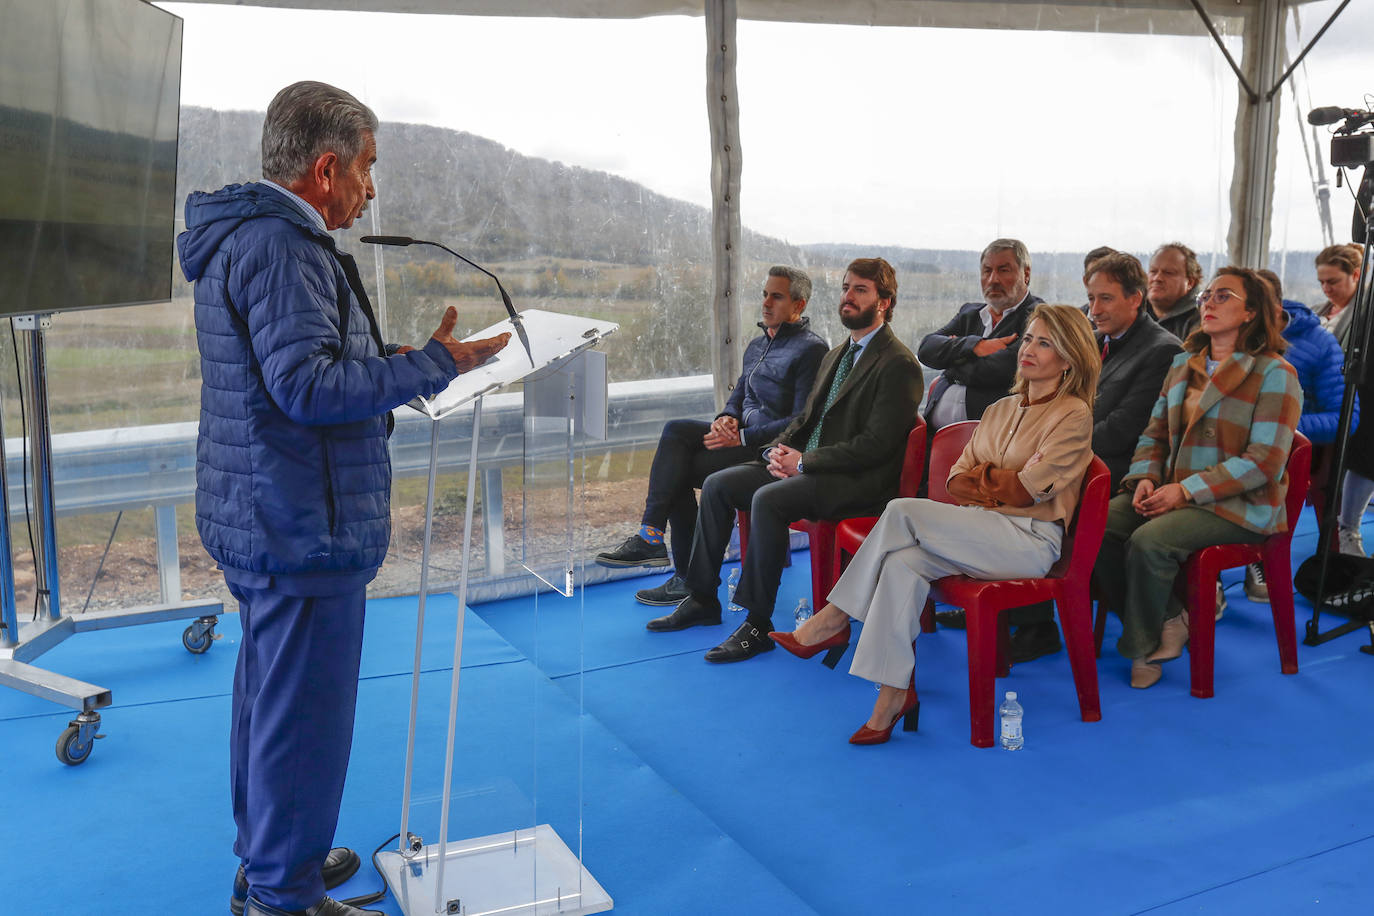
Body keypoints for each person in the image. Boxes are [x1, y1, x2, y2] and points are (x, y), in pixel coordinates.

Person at [177, 81, 509, 916]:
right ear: (326, 169)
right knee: (303, 726)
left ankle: (268, 870)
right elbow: (309, 387)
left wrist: (396, 358)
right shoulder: (284, 249)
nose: (371, 188)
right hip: (300, 526)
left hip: (264, 513)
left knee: (267, 704)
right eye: (367, 168)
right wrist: (435, 364)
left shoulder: (247, 238)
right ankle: (280, 898)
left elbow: (299, 363)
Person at [772, 305, 1097, 744]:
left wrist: (994, 482)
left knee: (902, 509)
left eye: (1045, 342)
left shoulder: (1073, 414)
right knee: (903, 563)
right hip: (980, 526)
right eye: (1028, 339)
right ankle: (892, 697)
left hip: (1030, 542)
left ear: (1069, 357)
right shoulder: (1001, 409)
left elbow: (1026, 493)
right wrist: (1000, 482)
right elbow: (956, 481)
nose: (1029, 349)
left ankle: (834, 618)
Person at [644, 258, 924, 663]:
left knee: (768, 500)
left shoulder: (898, 363)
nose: (848, 296)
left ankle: (757, 624)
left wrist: (805, 462)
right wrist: (779, 451)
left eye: (860, 290)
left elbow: (876, 446)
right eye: (846, 287)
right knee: (721, 485)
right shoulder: (837, 355)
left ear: (884, 301)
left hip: (856, 480)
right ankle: (702, 597)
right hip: (811, 467)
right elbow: (806, 418)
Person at [968, 253, 1181, 661]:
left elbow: (1122, 429)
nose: (1093, 309)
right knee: (1000, 486)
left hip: (1114, 469)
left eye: (1105, 299)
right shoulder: (1096, 337)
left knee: (1026, 496)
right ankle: (1007, 604)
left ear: (1136, 299)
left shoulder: (1161, 351)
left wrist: (1051, 452)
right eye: (1089, 298)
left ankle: (1035, 620)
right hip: (1074, 455)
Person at [1096, 267, 1301, 690]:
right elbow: (1152, 436)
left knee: (1149, 541)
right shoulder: (1182, 365)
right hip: (1172, 490)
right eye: (1207, 295)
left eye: (1223, 296)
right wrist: (1145, 480)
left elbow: (1263, 462)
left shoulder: (1275, 374)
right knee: (1092, 528)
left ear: (1250, 313)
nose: (1208, 302)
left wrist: (1185, 490)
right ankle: (1173, 617)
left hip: (1240, 503)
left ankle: (1142, 645)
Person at [595, 266, 827, 606]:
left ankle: (681, 573)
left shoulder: (811, 350)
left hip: (767, 450)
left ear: (799, 305)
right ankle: (654, 539)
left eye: (776, 296)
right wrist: (725, 419)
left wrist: (743, 438)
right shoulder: (757, 344)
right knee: (675, 434)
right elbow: (739, 395)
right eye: (764, 294)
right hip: (740, 438)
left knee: (676, 471)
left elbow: (799, 420)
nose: (766, 303)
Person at [1251, 269, 1353, 598]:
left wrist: (1288, 429)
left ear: (1276, 303)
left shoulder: (1319, 342)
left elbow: (1346, 418)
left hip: (1294, 452)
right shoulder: (1225, 338)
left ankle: (1263, 558)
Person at [918, 239, 1042, 431]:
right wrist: (975, 346)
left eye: (1003, 270)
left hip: (989, 441)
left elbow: (998, 370)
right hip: (933, 437)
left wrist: (950, 359)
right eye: (987, 271)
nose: (993, 279)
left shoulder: (1037, 318)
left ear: (1026, 274)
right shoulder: (970, 313)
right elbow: (926, 349)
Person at [1310, 244, 1371, 555]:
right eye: (1322, 282)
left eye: (1332, 281)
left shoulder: (1366, 319)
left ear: (1356, 276)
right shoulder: (1320, 313)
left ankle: (1349, 527)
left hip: (1351, 406)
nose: (1326, 288)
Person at [1146, 242, 1204, 340]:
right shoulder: (1133, 309)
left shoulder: (1203, 317)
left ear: (1190, 282)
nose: (1157, 278)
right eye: (1153, 271)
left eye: (1168, 273)